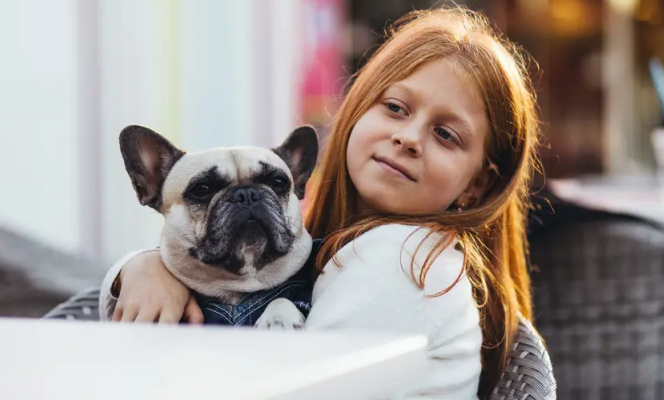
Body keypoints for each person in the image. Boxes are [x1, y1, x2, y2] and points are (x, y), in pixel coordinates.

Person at [100, 7, 541, 399]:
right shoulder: (341, 248)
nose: (408, 138)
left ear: (477, 186)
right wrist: (141, 268)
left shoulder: (403, 260)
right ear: (359, 108)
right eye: (395, 108)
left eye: (446, 134)